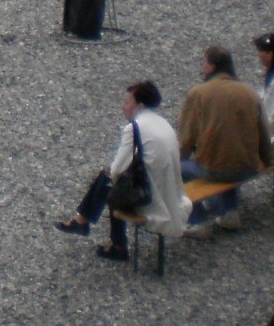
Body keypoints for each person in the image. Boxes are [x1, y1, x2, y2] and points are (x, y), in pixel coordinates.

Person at [55, 79, 187, 263]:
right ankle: (83, 222)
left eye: (127, 102)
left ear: (139, 106)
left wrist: (110, 172)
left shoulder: (134, 128)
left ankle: (109, 240)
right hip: (170, 191)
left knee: (110, 182)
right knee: (110, 180)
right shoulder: (162, 123)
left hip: (151, 198)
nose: (123, 106)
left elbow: (117, 169)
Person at [176, 46, 274, 225]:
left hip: (215, 169)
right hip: (248, 167)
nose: (201, 68)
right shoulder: (249, 91)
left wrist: (176, 163)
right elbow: (263, 131)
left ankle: (197, 221)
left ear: (213, 67)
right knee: (229, 150)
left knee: (181, 169)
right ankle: (229, 212)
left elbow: (186, 139)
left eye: (204, 63)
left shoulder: (198, 93)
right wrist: (269, 160)